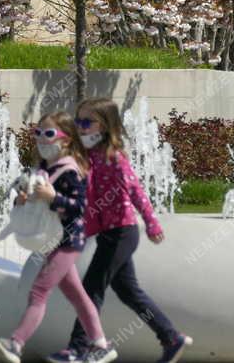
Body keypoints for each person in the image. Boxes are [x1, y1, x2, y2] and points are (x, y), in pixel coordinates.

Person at [61, 98, 192, 363]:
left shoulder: (114, 157)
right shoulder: (88, 158)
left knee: (92, 288)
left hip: (122, 231)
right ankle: (170, 337)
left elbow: (136, 191)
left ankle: (80, 347)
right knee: (128, 291)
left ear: (105, 126)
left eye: (87, 122)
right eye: (79, 122)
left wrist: (152, 224)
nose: (81, 127)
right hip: (109, 233)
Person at [0, 112, 114, 363]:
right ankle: (101, 344)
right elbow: (35, 202)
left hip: (68, 241)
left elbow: (80, 207)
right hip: (52, 240)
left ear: (66, 140)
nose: (42, 140)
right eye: (38, 134)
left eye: (49, 134)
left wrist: (52, 198)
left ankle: (16, 344)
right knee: (77, 296)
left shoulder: (70, 171)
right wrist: (23, 198)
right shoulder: (44, 168)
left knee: (39, 291)